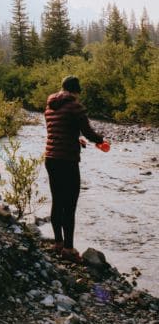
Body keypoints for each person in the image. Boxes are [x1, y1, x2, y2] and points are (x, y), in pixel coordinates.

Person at [44, 75, 107, 263]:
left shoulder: (49, 106)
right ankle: (69, 249)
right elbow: (88, 132)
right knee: (70, 204)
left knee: (57, 200)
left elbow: (57, 131)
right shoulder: (75, 106)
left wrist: (76, 139)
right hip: (67, 160)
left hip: (51, 158)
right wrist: (101, 140)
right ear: (76, 91)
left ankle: (58, 243)